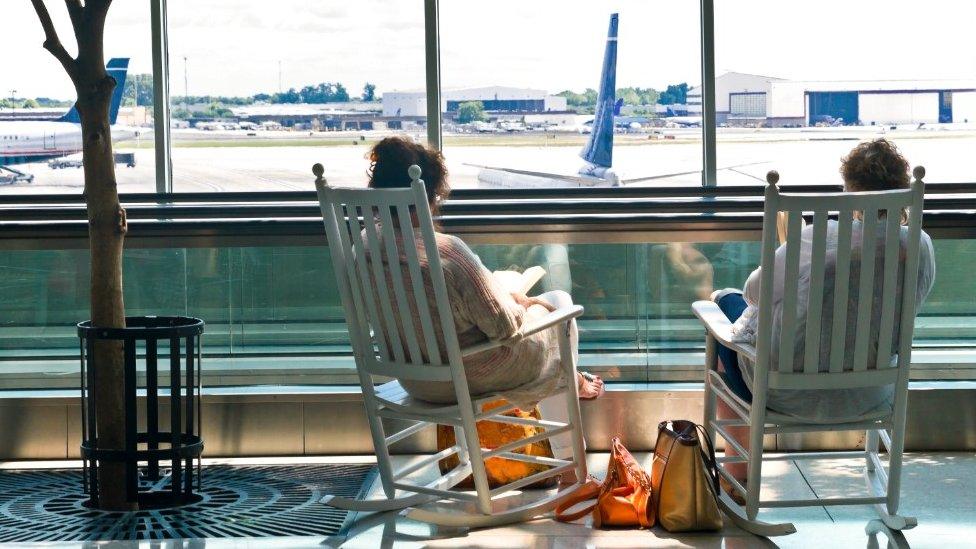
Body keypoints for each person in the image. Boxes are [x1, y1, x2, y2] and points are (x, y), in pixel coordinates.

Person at [710, 138, 936, 494]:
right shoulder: (919, 245)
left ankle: (736, 473)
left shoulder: (817, 239)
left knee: (724, 302)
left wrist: (788, 249)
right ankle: (883, 490)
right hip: (873, 391)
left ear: (849, 188)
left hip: (783, 392)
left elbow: (755, 294)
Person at [363, 137, 604, 461]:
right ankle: (569, 461)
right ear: (429, 194)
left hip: (413, 380)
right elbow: (504, 327)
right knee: (560, 306)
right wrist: (519, 303)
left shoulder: (364, 246)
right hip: (465, 377)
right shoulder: (446, 251)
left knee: (531, 307)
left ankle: (572, 383)